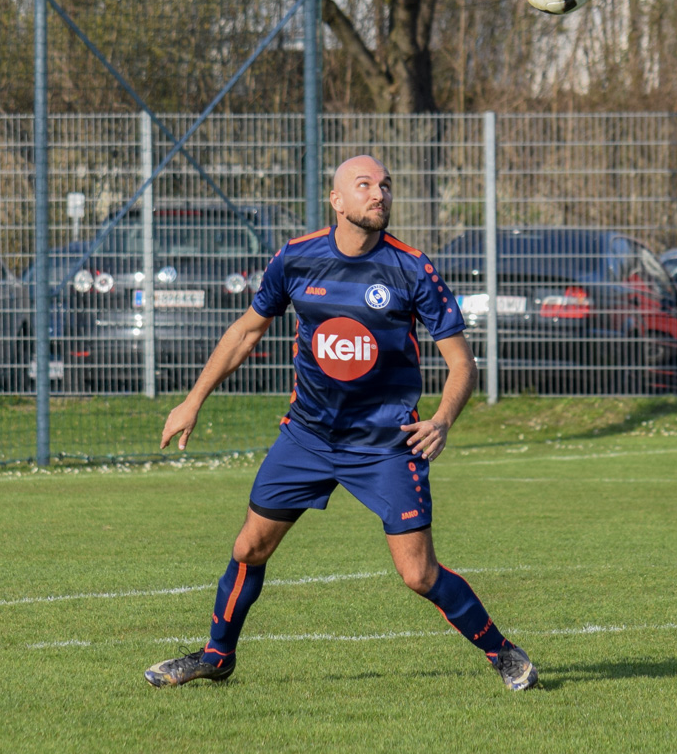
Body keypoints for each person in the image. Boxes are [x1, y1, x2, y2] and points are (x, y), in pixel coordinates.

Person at [144, 155, 537, 690]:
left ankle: (504, 654)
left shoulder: (412, 268)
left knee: (418, 574)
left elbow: (462, 363)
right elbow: (246, 331)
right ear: (337, 200)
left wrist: (443, 420)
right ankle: (216, 656)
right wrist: (193, 401)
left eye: (386, 185)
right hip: (307, 437)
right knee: (248, 549)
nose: (379, 194)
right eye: (365, 185)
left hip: (385, 444)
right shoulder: (296, 258)